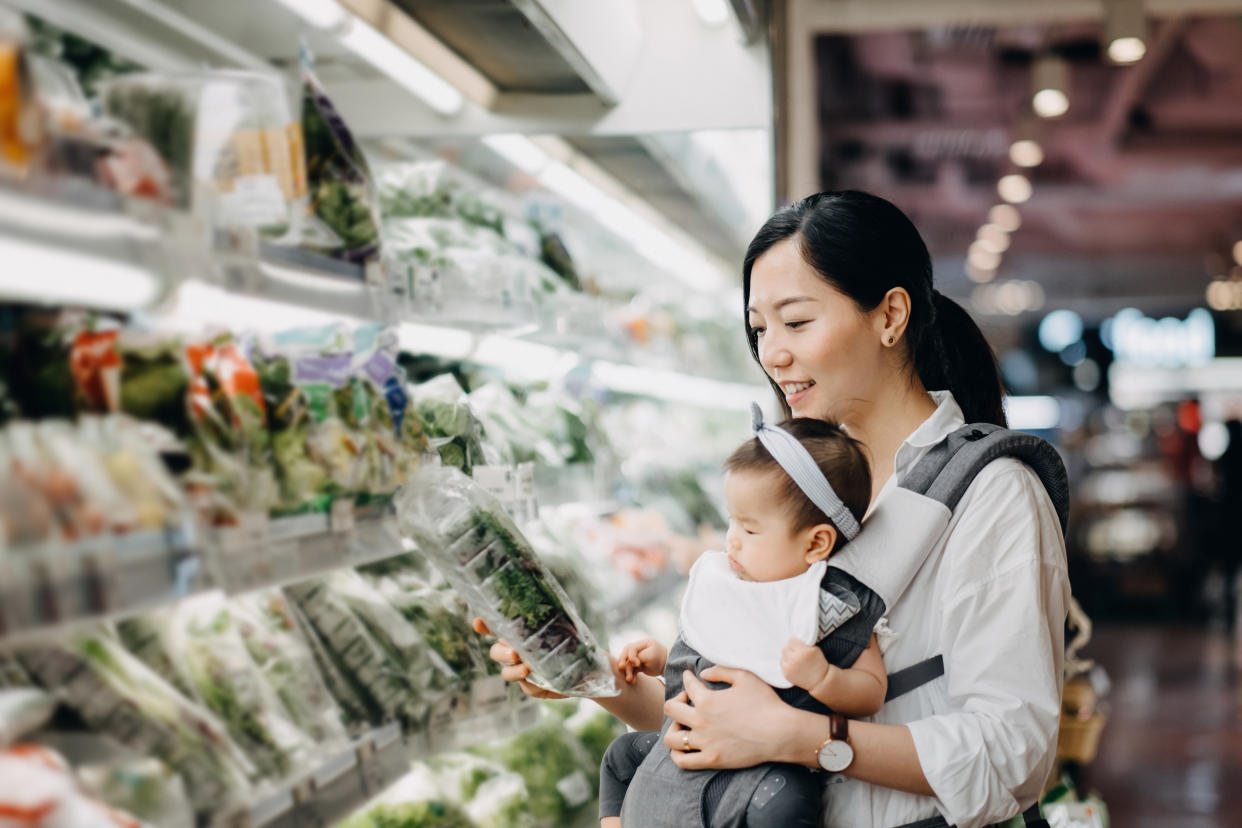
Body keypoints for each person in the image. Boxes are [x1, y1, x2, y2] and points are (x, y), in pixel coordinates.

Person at [475, 190, 1070, 828]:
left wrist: (798, 738)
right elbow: (732, 724)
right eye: (760, 329)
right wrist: (591, 676)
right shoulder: (792, 483)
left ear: (890, 315)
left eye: (797, 321)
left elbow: (1013, 757)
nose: (772, 354)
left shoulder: (992, 495)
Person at [598, 412, 885, 827]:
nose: (731, 538)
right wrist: (664, 661)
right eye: (731, 520)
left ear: (816, 542)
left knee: (788, 799)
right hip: (679, 755)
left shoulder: (830, 609)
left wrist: (823, 678)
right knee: (621, 755)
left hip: (758, 776)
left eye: (750, 530)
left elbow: (873, 691)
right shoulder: (726, 584)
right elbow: (702, 662)